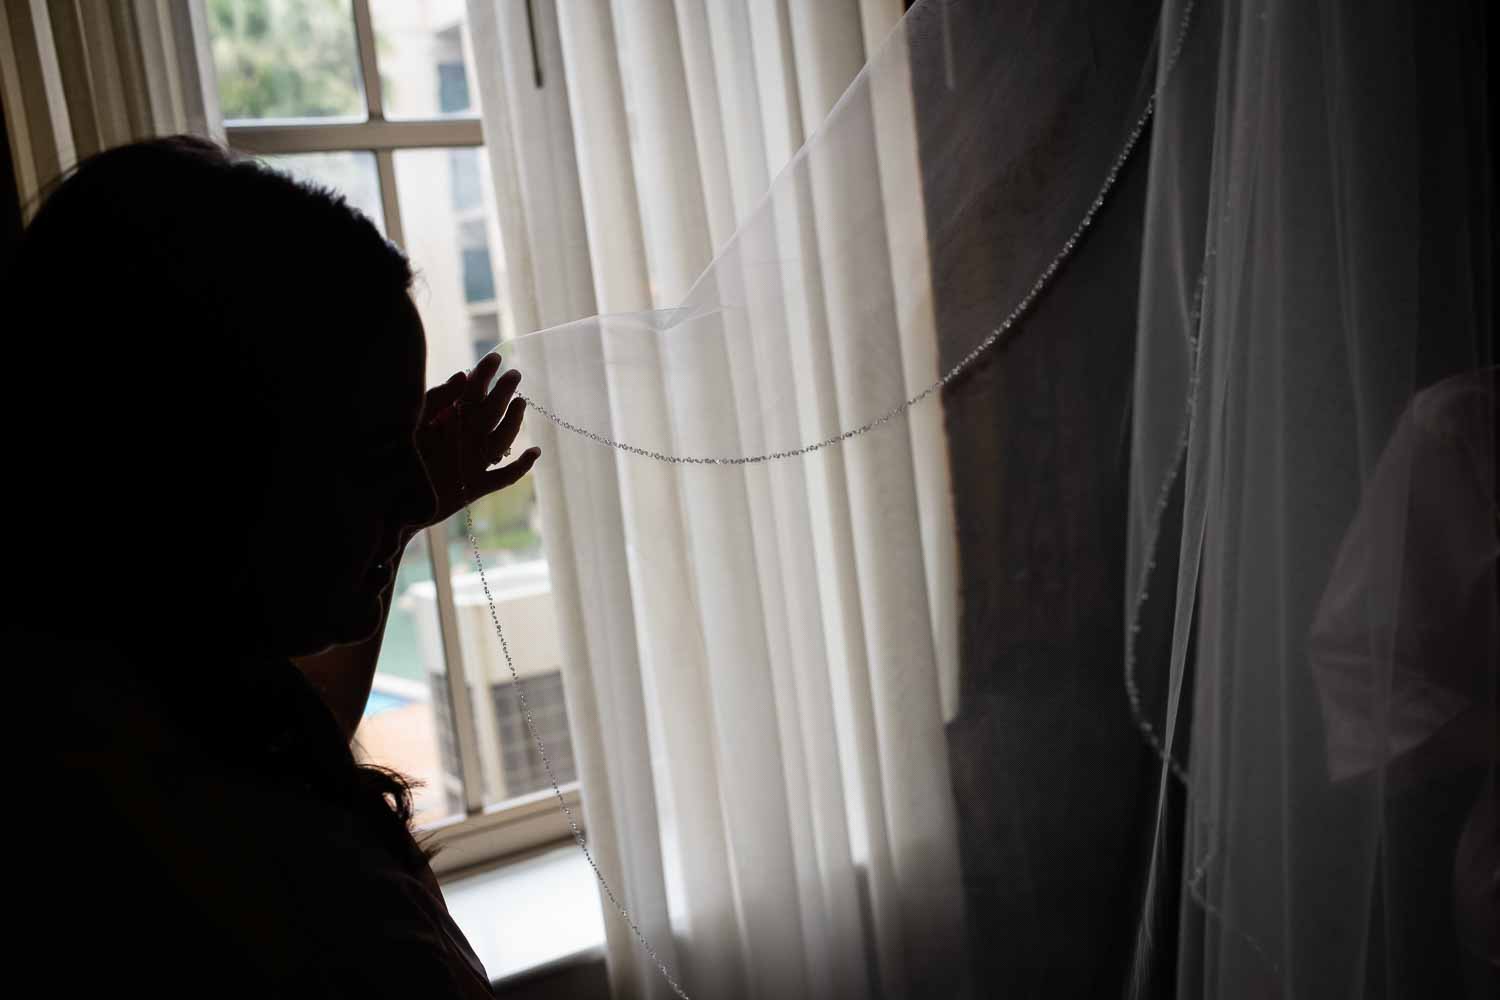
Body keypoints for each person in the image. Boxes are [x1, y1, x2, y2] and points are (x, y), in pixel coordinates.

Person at [3, 135, 539, 996]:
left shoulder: (153, 687)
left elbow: (299, 717)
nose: (418, 483)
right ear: (204, 466)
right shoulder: (236, 876)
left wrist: (390, 516)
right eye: (370, 449)